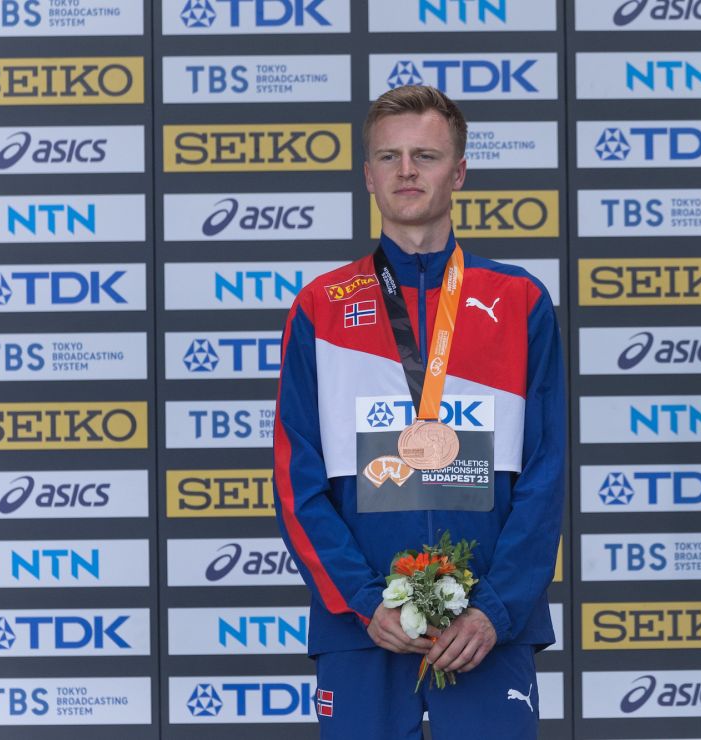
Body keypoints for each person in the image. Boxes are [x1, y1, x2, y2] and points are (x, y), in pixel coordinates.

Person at [273, 85, 564, 740]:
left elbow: (546, 477)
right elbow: (298, 483)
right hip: (364, 626)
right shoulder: (320, 307)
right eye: (390, 156)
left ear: (458, 171)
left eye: (426, 155)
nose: (407, 171)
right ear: (368, 174)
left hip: (488, 631)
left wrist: (494, 608)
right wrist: (362, 600)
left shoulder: (519, 301)